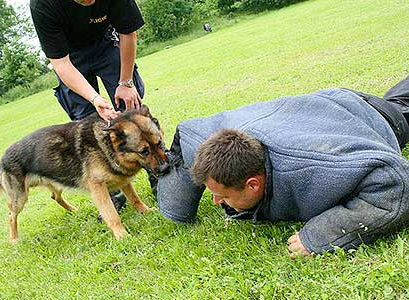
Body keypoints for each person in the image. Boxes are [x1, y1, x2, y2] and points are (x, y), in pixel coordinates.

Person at [155, 76, 409, 258]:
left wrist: (318, 237)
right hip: (322, 107)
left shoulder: (315, 166)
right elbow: (188, 132)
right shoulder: (206, 142)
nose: (215, 201)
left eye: (222, 195)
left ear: (253, 184)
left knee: (399, 106)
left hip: (375, 116)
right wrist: (176, 208)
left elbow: (397, 183)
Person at [30, 0, 146, 210]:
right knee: (86, 123)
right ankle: (112, 194)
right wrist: (95, 99)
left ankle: (161, 175)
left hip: (105, 41)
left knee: (133, 108)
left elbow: (128, 33)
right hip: (70, 56)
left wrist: (126, 82)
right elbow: (61, 63)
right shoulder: (43, 5)